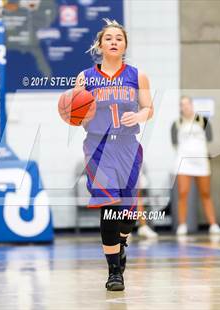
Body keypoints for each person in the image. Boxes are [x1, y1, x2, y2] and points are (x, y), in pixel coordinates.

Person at [74, 19, 154, 291]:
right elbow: (78, 117)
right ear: (100, 44)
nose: (113, 41)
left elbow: (148, 109)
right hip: (98, 148)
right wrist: (83, 116)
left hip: (128, 147)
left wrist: (139, 115)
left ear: (125, 45)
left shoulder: (137, 75)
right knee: (108, 207)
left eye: (119, 38)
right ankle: (114, 273)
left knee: (127, 216)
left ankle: (121, 244)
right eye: (108, 38)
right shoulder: (85, 77)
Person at [171, 96, 220, 236]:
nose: (185, 107)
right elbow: (174, 143)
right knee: (183, 193)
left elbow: (210, 139)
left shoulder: (203, 121)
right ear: (180, 107)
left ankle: (213, 225)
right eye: (182, 105)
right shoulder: (176, 123)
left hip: (201, 162)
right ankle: (182, 225)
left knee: (205, 193)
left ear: (192, 105)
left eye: (187, 104)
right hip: (183, 162)